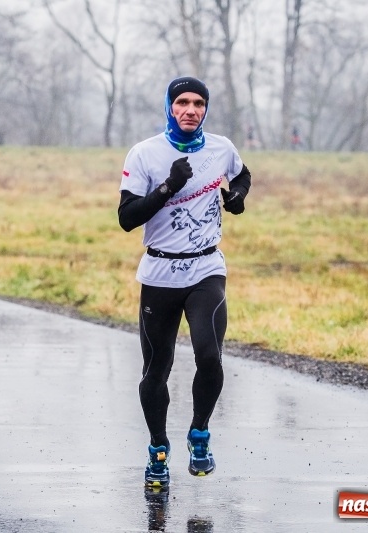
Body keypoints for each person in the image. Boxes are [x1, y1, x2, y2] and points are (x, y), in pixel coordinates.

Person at [118, 76, 251, 490]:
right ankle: (158, 449)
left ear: (205, 109)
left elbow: (243, 176)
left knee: (209, 356)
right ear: (169, 107)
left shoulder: (221, 148)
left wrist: (237, 198)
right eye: (182, 103)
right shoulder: (145, 153)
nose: (190, 110)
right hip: (159, 272)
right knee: (156, 371)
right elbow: (127, 218)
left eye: (198, 103)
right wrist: (168, 186)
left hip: (206, 267)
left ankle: (199, 435)